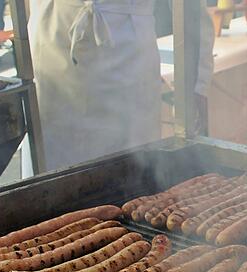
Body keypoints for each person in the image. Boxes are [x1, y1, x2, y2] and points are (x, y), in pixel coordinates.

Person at [25, 0, 214, 173]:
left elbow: (191, 8)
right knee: (46, 186)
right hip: (51, 54)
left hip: (129, 61)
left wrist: (197, 81)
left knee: (133, 183)